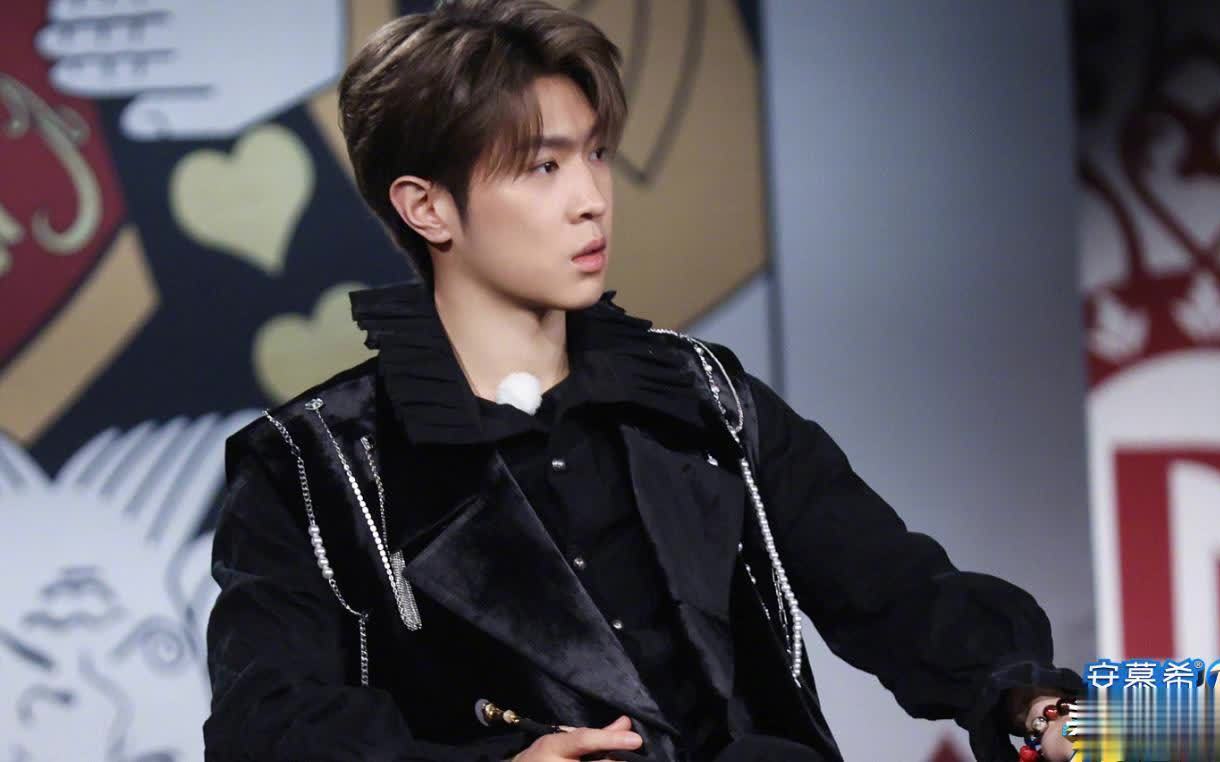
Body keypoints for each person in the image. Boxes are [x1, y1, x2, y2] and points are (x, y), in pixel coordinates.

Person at [203, 1, 1083, 760]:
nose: (592, 197)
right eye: (544, 166)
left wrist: (1032, 702)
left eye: (595, 154)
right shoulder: (315, 465)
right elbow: (267, 723)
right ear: (426, 206)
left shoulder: (702, 398)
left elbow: (892, 588)